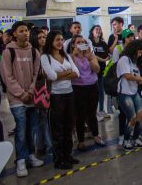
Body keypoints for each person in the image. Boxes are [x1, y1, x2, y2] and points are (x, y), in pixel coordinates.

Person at [0, 21, 44, 177]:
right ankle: (20, 160)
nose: (25, 33)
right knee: (20, 129)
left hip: (31, 97)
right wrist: (21, 93)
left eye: (26, 30)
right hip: (17, 99)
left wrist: (31, 91)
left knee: (31, 129)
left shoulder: (34, 52)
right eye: (21, 31)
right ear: (14, 34)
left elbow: (35, 74)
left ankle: (31, 155)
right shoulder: (8, 52)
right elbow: (7, 76)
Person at [41, 30, 80, 170]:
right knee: (57, 128)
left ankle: (68, 154)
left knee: (69, 126)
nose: (60, 42)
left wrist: (61, 74)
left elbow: (77, 73)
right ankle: (59, 158)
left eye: (62, 40)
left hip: (69, 94)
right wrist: (68, 73)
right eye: (57, 39)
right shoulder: (45, 57)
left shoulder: (67, 56)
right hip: (55, 96)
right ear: (51, 41)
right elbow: (51, 76)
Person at [68, 35, 105, 151]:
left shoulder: (90, 55)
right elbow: (72, 70)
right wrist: (75, 55)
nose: (81, 44)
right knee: (80, 114)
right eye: (78, 42)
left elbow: (97, 69)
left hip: (92, 86)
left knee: (92, 113)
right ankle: (81, 140)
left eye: (83, 42)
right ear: (73, 44)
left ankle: (96, 135)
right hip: (78, 87)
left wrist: (89, 58)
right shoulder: (70, 57)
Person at [117, 40, 142, 150]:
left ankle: (136, 138)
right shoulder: (124, 59)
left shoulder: (134, 62)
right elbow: (128, 76)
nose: (140, 54)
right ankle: (126, 140)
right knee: (132, 118)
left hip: (134, 92)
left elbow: (137, 81)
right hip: (124, 94)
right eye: (140, 52)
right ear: (135, 49)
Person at [29, 28, 52, 158]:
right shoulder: (32, 53)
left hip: (48, 88)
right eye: (39, 38)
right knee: (40, 120)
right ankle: (46, 146)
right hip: (38, 89)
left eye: (44, 37)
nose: (43, 39)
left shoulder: (48, 53)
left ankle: (43, 146)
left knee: (45, 119)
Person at [89, 25, 110, 120]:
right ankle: (93, 112)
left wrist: (103, 59)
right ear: (92, 31)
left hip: (101, 70)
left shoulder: (103, 43)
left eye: (99, 29)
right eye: (96, 29)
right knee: (93, 93)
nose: (98, 31)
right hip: (91, 71)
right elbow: (91, 55)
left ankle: (101, 110)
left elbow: (107, 55)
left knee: (101, 92)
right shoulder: (89, 42)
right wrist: (102, 59)